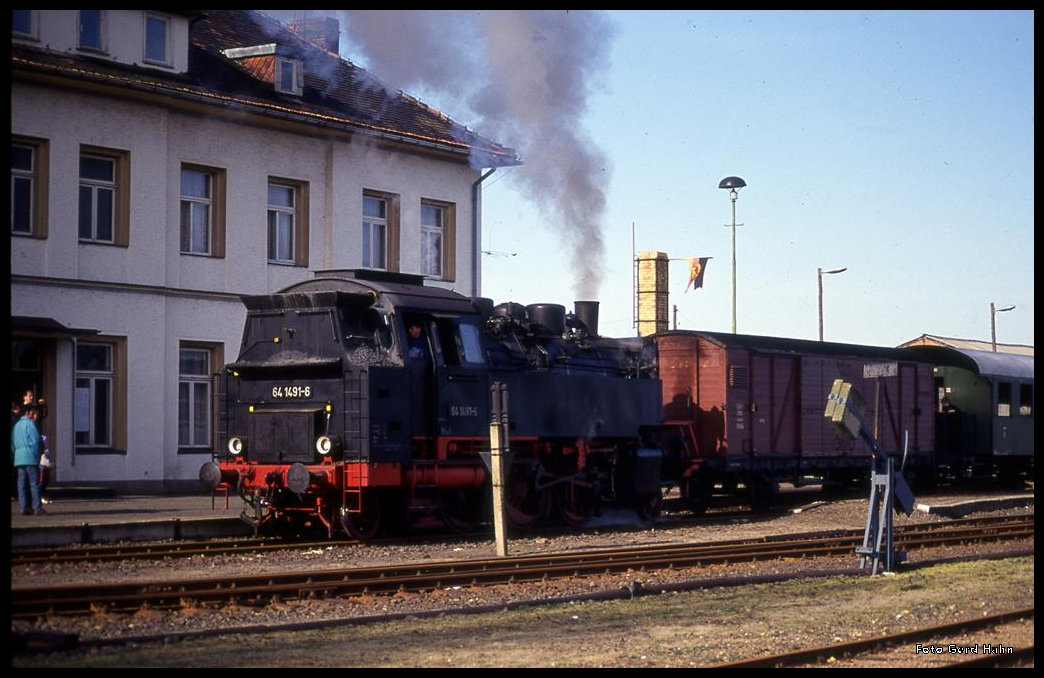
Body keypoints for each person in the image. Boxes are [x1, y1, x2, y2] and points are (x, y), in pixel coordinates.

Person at [12, 403, 45, 515]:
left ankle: (24, 508)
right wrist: (37, 455)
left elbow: (12, 443)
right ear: (28, 412)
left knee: (21, 485)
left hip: (18, 458)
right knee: (33, 483)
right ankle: (37, 507)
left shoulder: (16, 426)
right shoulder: (30, 424)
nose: (33, 414)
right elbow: (35, 441)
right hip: (30, 457)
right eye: (31, 411)